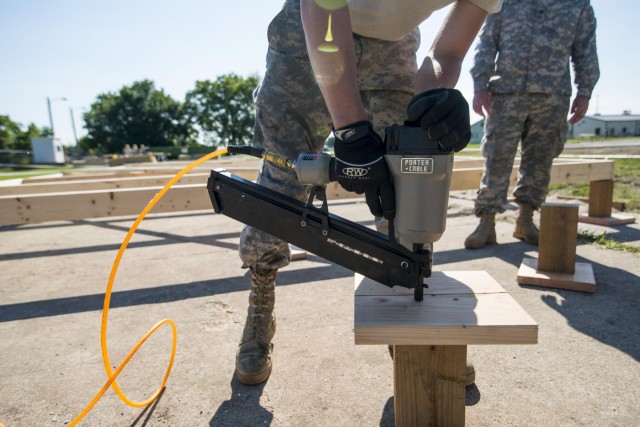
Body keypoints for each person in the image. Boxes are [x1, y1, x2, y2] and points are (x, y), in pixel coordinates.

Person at [235, 0, 502, 386]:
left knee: (409, 176)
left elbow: (447, 52)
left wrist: (436, 98)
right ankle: (261, 302)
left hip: (392, 48)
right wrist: (350, 129)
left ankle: (409, 316)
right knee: (281, 183)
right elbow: (324, 11)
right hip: (308, 35)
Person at [464, 0, 600, 249]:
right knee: (497, 157)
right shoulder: (504, 2)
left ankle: (525, 220)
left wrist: (585, 91)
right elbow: (486, 43)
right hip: (506, 94)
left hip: (553, 95)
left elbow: (585, 50)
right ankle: (486, 223)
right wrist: (480, 84)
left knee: (540, 162)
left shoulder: (577, 5)